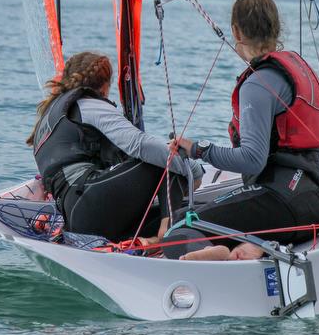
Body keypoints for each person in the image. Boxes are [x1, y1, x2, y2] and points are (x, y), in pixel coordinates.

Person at [166, 0, 319, 260]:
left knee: (179, 224)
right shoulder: (295, 67)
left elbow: (253, 159)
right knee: (217, 214)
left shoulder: (257, 84)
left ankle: (223, 254)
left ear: (236, 32)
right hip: (312, 202)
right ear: (276, 28)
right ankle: (251, 246)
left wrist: (197, 149)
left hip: (280, 202)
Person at [28, 51, 203, 243]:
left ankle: (149, 235)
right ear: (105, 86)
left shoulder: (49, 116)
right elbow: (141, 145)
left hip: (77, 217)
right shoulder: (89, 105)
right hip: (90, 203)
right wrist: (191, 170)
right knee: (165, 158)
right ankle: (165, 233)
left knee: (162, 165)